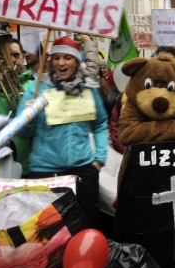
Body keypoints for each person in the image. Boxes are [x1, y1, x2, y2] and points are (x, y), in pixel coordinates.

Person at [17, 36, 108, 228]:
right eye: (56, 57)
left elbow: (100, 124)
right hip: (45, 172)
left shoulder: (88, 88)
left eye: (67, 57)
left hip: (83, 171)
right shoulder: (36, 88)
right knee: (49, 235)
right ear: (50, 60)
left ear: (76, 61)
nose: (61, 62)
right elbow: (22, 133)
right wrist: (28, 117)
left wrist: (98, 160)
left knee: (87, 229)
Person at [0, 38, 35, 175]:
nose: (12, 60)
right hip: (4, 166)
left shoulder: (35, 85)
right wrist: (4, 83)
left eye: (16, 55)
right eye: (7, 55)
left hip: (33, 164)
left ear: (23, 57)